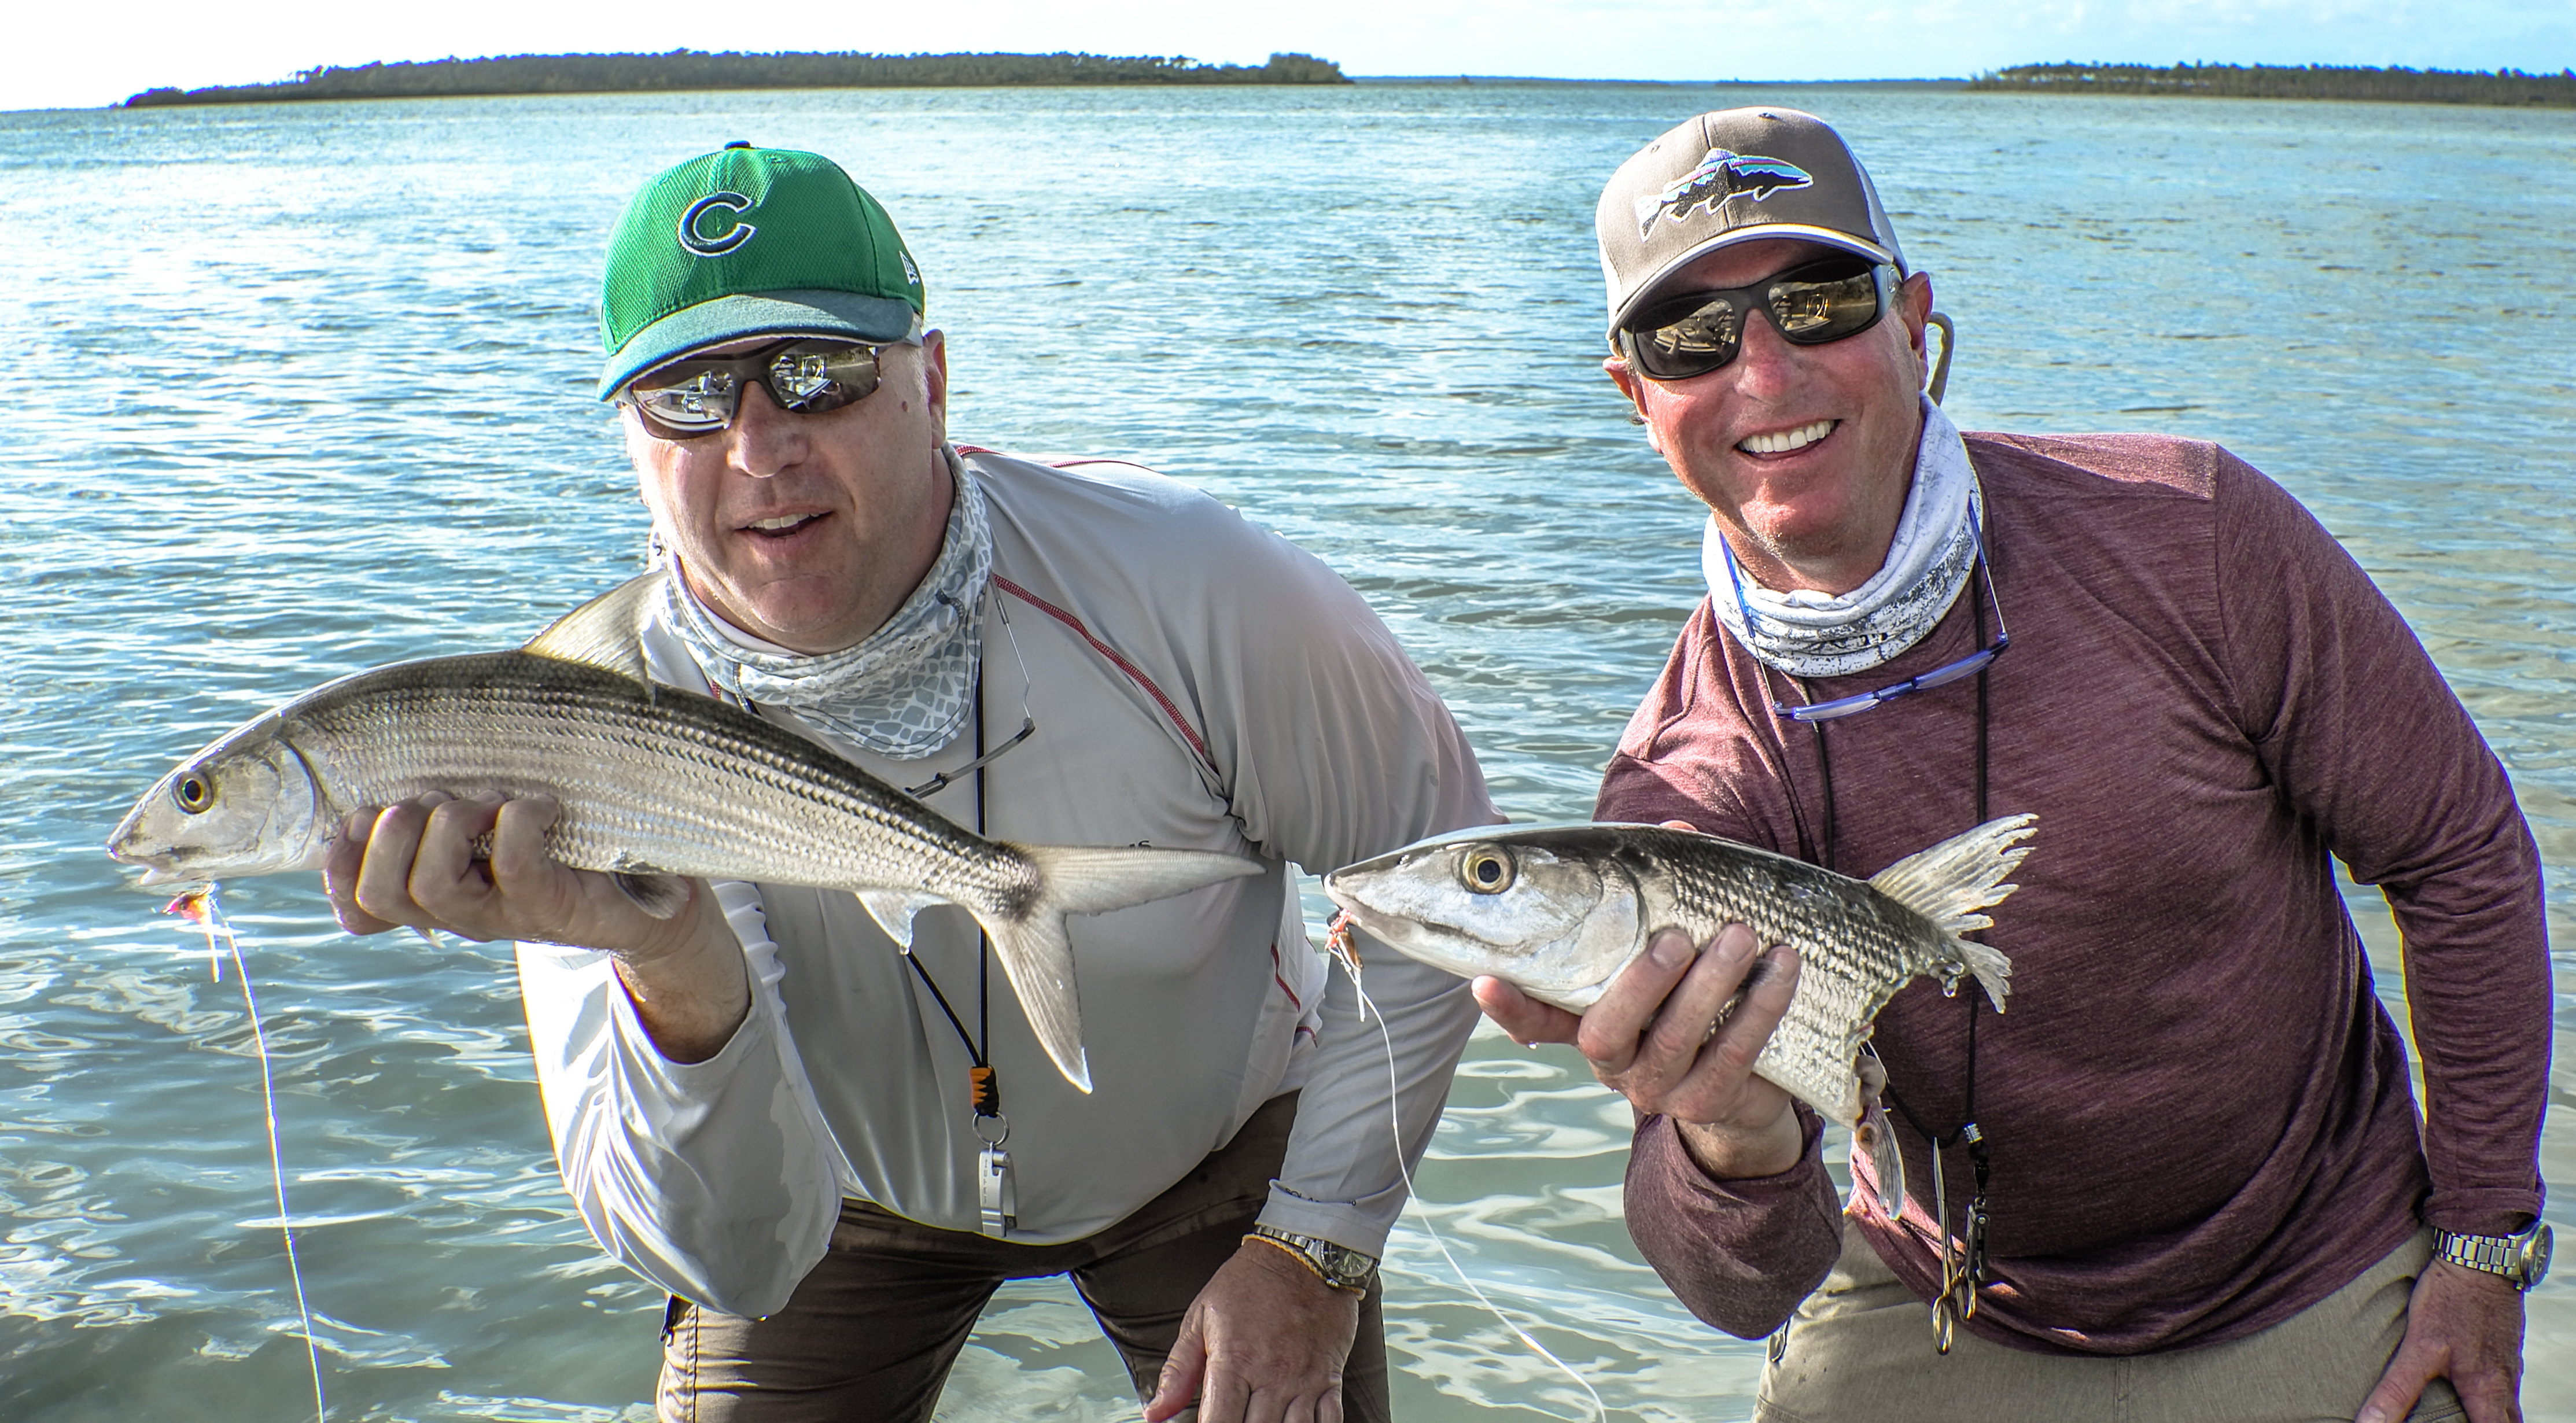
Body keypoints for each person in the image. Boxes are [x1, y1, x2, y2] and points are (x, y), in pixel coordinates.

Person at [321, 143, 1495, 1422]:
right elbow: (729, 1259)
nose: (761, 449)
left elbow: (1449, 883)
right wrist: (674, 966)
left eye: (818, 376)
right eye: (689, 399)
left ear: (930, 381)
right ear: (628, 439)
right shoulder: (562, 724)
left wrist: (1318, 1246)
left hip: (1216, 1169)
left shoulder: (1195, 585)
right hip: (838, 1198)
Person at [1475, 108, 2552, 1421]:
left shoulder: (2196, 538)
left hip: (2325, 1267)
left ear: (1915, 323)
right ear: (1633, 396)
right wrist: (1730, 1145)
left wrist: (2486, 1243)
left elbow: (2457, 855)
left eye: (1818, 300)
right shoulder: (1682, 784)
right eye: (1689, 335)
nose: (1763, 373)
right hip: (1945, 1299)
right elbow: (1743, 1288)